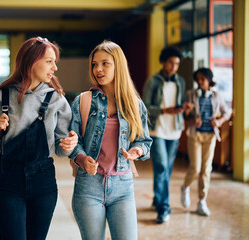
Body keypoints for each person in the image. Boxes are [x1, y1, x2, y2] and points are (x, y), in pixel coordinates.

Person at [0, 36, 78, 240]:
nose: (55, 68)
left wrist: (69, 144)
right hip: (9, 181)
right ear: (32, 61)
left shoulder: (57, 100)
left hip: (43, 181)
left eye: (54, 62)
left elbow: (60, 149)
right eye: (50, 61)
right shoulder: (0, 97)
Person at [69, 40, 152, 240]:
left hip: (123, 186)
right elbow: (73, 143)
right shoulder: (83, 101)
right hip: (88, 187)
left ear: (118, 65)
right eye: (94, 64)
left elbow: (144, 141)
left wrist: (137, 151)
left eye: (105, 63)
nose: (98, 69)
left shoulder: (134, 104)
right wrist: (81, 159)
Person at [142, 46, 188, 223]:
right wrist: (163, 110)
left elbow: (180, 102)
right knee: (161, 166)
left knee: (167, 169)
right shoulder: (153, 81)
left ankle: (157, 198)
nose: (174, 67)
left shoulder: (180, 82)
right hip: (157, 130)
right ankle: (163, 207)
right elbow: (145, 107)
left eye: (177, 64)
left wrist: (184, 108)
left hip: (174, 131)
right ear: (163, 61)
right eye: (171, 62)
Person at [180, 68, 232, 216]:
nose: (200, 82)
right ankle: (185, 187)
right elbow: (183, 114)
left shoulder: (216, 95)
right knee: (195, 168)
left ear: (209, 80)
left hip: (210, 136)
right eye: (198, 79)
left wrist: (219, 121)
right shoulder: (191, 94)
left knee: (206, 170)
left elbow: (227, 112)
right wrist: (190, 117)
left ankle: (202, 201)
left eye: (203, 79)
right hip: (195, 135)